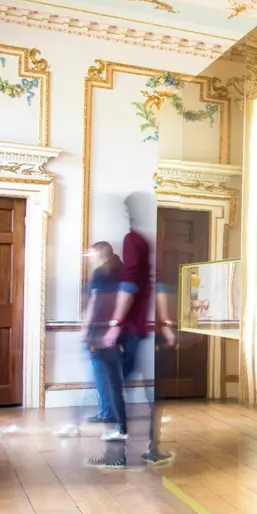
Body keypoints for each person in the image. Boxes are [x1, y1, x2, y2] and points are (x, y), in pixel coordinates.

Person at [89, 191, 175, 469]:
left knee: (116, 390)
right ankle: (151, 450)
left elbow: (130, 285)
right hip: (147, 332)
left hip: (130, 331)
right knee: (151, 395)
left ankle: (117, 455)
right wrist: (166, 323)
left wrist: (114, 325)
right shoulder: (154, 243)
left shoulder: (133, 240)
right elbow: (158, 285)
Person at [54, 241, 121, 437]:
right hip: (116, 329)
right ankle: (110, 412)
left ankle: (106, 413)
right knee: (109, 373)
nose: (89, 258)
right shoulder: (121, 268)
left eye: (91, 254)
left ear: (100, 254)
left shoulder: (101, 272)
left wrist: (84, 327)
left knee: (98, 373)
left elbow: (94, 300)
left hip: (98, 330)